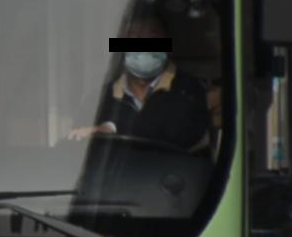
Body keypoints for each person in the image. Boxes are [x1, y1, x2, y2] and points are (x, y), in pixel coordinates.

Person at [68, 10, 211, 151]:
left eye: (152, 37)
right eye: (133, 36)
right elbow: (78, 147)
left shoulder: (192, 92)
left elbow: (180, 137)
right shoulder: (98, 100)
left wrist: (112, 128)